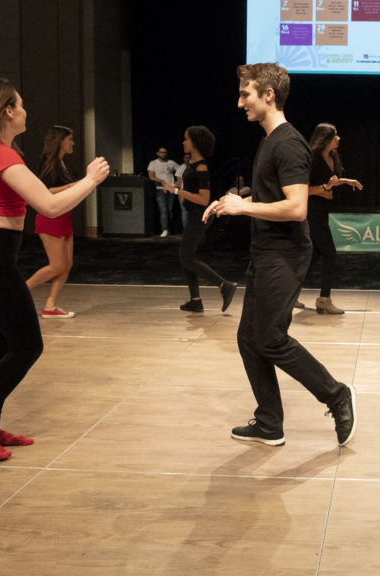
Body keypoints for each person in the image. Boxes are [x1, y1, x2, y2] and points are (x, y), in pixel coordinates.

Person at [0, 79, 110, 461]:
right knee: (27, 346)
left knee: (5, 345)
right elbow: (50, 207)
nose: (25, 110)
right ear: (7, 111)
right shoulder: (3, 154)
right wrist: (91, 180)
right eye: (20, 104)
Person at [202, 63, 356, 448]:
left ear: (268, 95)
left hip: (285, 255)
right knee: (247, 338)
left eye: (246, 94)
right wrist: (232, 201)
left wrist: (243, 208)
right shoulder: (270, 139)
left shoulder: (287, 143)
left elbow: (296, 208)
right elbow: (272, 196)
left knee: (269, 338)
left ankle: (336, 394)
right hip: (268, 251)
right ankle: (270, 421)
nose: (240, 103)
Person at [167, 124, 237, 313]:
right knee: (186, 257)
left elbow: (204, 198)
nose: (183, 142)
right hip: (195, 215)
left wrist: (178, 191)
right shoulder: (193, 165)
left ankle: (224, 285)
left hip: (200, 216)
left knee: (186, 257)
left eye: (186, 139)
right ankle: (195, 300)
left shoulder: (201, 167)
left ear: (195, 142)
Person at [305, 122, 363, 315]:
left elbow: (331, 182)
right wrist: (325, 189)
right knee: (330, 254)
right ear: (326, 138)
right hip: (312, 211)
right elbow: (303, 190)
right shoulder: (312, 159)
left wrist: (347, 181)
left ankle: (290, 290)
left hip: (323, 211)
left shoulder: (332, 157)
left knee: (315, 255)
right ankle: (324, 299)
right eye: (335, 135)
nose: (339, 138)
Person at [25, 125, 79, 318]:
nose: (72, 143)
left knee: (67, 264)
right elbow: (44, 191)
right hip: (51, 218)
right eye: (70, 139)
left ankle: (50, 306)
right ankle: (19, 292)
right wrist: (75, 185)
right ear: (60, 141)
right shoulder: (49, 162)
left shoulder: (61, 163)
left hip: (64, 218)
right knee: (57, 265)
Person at [147, 145, 182, 237]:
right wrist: (162, 181)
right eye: (161, 152)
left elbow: (181, 170)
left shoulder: (171, 163)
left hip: (171, 189)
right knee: (163, 210)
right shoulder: (153, 163)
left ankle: (168, 229)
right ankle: (165, 229)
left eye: (165, 152)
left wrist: (177, 182)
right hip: (160, 189)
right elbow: (151, 176)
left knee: (169, 210)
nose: (163, 154)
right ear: (158, 153)